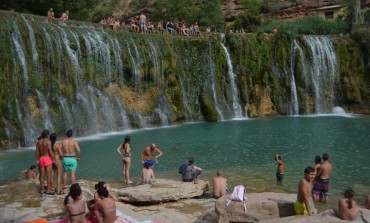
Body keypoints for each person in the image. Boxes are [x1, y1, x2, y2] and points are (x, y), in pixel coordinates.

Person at [36, 129, 55, 195]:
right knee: (49, 176)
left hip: (41, 158)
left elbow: (37, 152)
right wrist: (54, 159)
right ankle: (48, 190)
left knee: (42, 176)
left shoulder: (38, 142)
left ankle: (42, 190)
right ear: (47, 135)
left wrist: (39, 159)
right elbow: (50, 151)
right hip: (47, 158)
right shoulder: (48, 141)